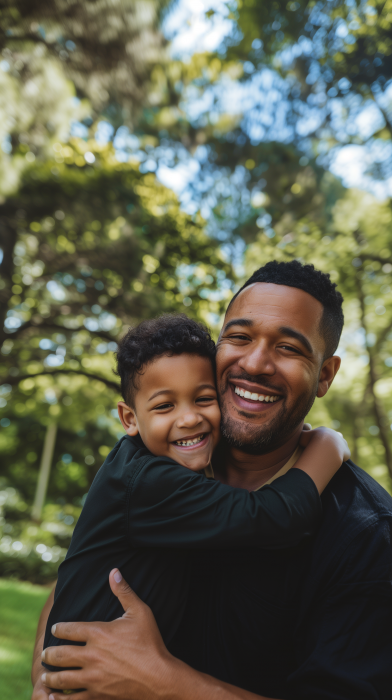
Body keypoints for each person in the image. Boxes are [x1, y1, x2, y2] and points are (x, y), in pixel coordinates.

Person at [33, 261, 392, 700]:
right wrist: (48, 679)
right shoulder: (159, 457)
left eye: (289, 348)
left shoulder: (367, 536)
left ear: (325, 375)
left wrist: (165, 683)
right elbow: (73, 579)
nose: (256, 363)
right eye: (239, 338)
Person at [43, 314, 346, 672]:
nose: (188, 419)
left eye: (203, 399)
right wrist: (328, 446)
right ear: (130, 419)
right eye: (164, 406)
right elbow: (273, 517)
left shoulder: (146, 464)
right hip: (90, 677)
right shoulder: (149, 481)